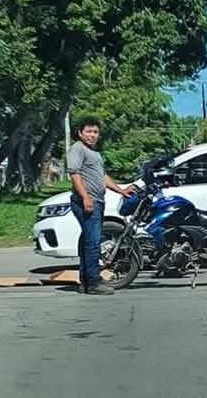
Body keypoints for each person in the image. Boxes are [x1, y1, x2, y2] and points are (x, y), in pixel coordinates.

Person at [67, 117, 132, 295]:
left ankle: (86, 280)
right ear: (80, 133)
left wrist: (121, 190)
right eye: (88, 131)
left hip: (97, 201)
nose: (92, 135)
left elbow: (102, 176)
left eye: (95, 132)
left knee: (88, 240)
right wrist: (86, 197)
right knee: (93, 242)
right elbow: (75, 174)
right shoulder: (77, 149)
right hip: (87, 202)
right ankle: (93, 282)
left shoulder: (94, 153)